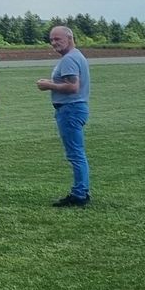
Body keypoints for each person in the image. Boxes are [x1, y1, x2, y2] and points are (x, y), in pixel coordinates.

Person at [37, 24, 91, 206]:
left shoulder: (69, 59)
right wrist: (52, 82)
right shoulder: (77, 56)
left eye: (57, 39)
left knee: (75, 154)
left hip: (70, 109)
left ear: (69, 38)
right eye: (51, 39)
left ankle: (79, 194)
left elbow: (72, 87)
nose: (54, 43)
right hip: (75, 108)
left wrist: (48, 85)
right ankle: (81, 190)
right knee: (77, 153)